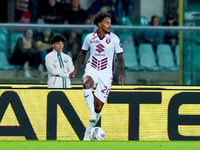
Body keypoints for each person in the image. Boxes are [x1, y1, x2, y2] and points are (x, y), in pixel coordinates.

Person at [69, 11, 125, 140]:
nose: (109, 25)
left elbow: (120, 58)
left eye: (110, 23)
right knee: (86, 83)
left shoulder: (114, 39)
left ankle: (88, 131)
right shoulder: (89, 38)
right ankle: (92, 114)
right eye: (107, 22)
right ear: (99, 24)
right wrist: (76, 69)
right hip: (92, 68)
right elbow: (83, 53)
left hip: (106, 74)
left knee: (98, 107)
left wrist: (121, 74)